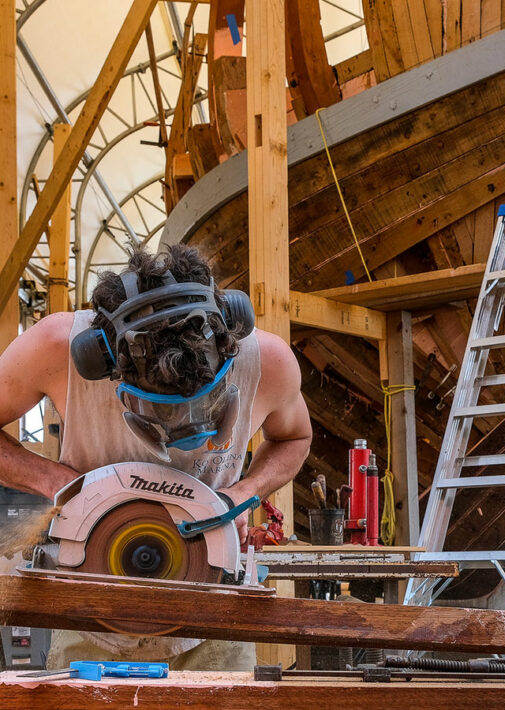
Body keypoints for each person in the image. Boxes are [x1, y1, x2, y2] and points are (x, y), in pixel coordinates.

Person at [0, 244, 312, 669]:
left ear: (229, 342)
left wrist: (245, 492)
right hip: (91, 604)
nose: (187, 430)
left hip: (213, 606)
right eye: (162, 410)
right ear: (105, 363)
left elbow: (295, 438)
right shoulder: (56, 349)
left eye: (207, 403)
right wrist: (55, 483)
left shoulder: (267, 361)